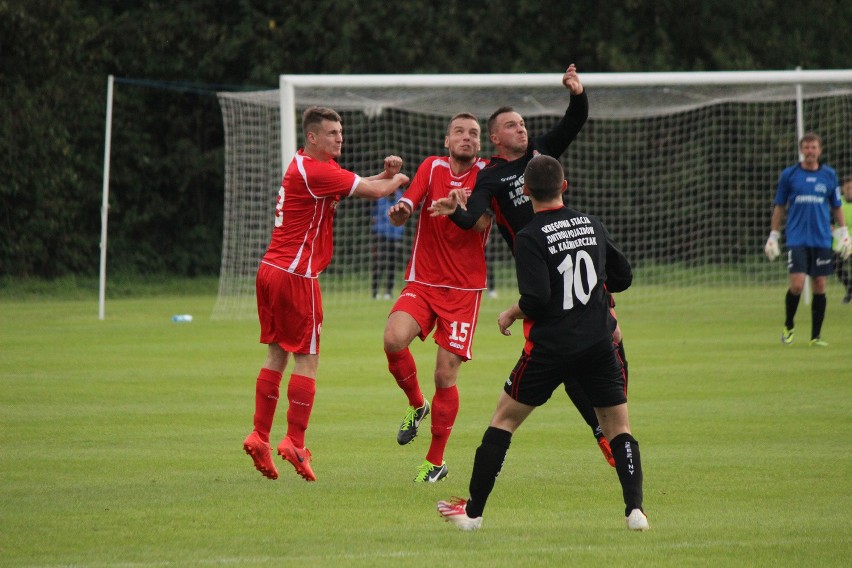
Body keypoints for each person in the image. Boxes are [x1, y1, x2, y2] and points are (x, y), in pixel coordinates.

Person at [436, 155, 648, 531]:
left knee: (503, 422)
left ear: (526, 191)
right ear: (563, 186)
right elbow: (624, 276)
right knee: (619, 430)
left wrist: (510, 313)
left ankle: (473, 515)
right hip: (598, 345)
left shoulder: (530, 236)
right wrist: (593, 298)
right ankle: (635, 512)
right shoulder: (592, 224)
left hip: (549, 350)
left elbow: (536, 299)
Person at [430, 64, 621, 467]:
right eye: (512, 125)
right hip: (539, 277)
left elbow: (576, 120)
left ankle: (610, 431)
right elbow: (471, 218)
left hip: (572, 265)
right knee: (571, 360)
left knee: (590, 351)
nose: (521, 129)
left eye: (522, 124)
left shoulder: (541, 154)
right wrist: (453, 210)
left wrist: (576, 91)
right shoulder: (492, 176)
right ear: (496, 137)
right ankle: (607, 433)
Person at [242, 106, 410, 482]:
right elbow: (377, 191)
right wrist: (400, 178)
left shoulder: (309, 167)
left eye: (341, 131)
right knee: (308, 360)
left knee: (276, 354)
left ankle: (260, 435)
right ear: (312, 137)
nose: (340, 137)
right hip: (297, 276)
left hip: (271, 270)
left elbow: (362, 182)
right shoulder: (318, 171)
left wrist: (384, 175)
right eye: (332, 132)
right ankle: (296, 443)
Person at [383, 113, 492, 482]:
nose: (466, 137)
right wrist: (400, 211)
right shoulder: (431, 167)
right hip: (424, 280)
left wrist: (460, 207)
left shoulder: (487, 174)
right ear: (447, 140)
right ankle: (417, 405)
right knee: (393, 338)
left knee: (445, 375)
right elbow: (409, 204)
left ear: (480, 142)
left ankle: (435, 462)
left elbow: (482, 223)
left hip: (464, 290)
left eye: (473, 133)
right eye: (459, 132)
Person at [764, 133, 851, 346]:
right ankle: (789, 326)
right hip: (797, 238)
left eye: (814, 147)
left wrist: (844, 233)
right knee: (797, 284)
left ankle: (815, 337)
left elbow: (836, 207)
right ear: (801, 150)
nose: (810, 151)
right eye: (806, 147)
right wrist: (773, 235)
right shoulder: (789, 175)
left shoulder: (829, 175)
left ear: (819, 150)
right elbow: (780, 207)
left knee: (820, 285)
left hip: (821, 239)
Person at [371, 188, 405, 300]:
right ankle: (375, 292)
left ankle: (388, 292)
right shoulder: (380, 197)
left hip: (394, 236)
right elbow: (376, 216)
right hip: (381, 235)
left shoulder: (401, 198)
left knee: (392, 264)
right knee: (378, 263)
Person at [833, 177, 852, 304]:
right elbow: (828, 222)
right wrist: (838, 235)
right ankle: (850, 287)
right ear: (843, 189)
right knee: (836, 265)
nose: (850, 191)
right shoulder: (837, 203)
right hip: (840, 242)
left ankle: (850, 292)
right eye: (848, 188)